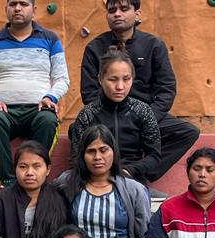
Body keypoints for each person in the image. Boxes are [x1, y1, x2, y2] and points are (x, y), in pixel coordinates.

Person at [80, 0, 199, 180]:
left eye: (124, 9)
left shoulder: (153, 45)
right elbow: (89, 92)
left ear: (137, 14)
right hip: (106, 112)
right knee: (80, 129)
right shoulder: (95, 48)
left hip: (147, 113)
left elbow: (167, 89)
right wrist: (108, 113)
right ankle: (96, 178)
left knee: (187, 132)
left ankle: (136, 174)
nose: (117, 14)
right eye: (112, 10)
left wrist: (147, 118)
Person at [0, 0, 70, 186]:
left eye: (23, 4)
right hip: (5, 111)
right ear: (6, 9)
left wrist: (51, 97)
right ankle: (8, 181)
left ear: (34, 9)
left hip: (37, 109)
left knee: (48, 120)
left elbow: (62, 79)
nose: (18, 8)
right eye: (13, 4)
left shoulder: (50, 39)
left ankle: (37, 177)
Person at [63, 124, 150, 238]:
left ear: (114, 152)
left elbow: (143, 233)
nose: (98, 157)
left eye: (104, 150)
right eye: (91, 151)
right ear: (82, 155)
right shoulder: (68, 183)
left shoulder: (133, 190)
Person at [69, 48, 163, 186]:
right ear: (100, 79)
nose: (120, 86)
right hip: (95, 181)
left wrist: (129, 171)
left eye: (126, 79)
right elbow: (76, 157)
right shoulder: (88, 114)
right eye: (113, 79)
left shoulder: (142, 111)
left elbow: (154, 156)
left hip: (132, 180)